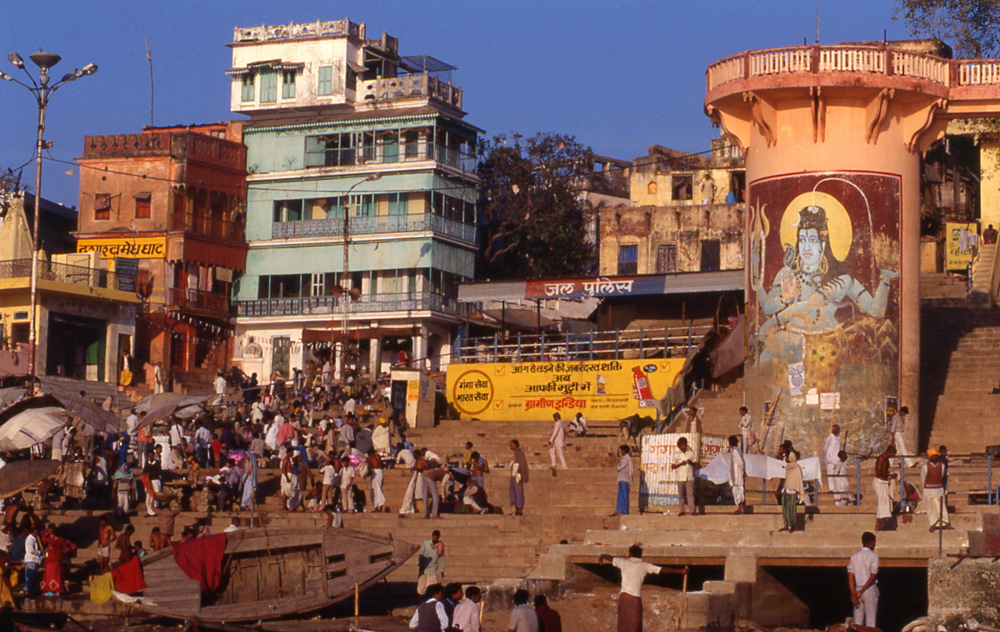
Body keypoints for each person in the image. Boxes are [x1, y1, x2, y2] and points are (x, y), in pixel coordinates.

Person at [600, 544, 687, 632]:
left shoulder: (623, 562)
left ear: (630, 555)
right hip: (635, 599)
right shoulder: (645, 566)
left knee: (623, 624)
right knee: (635, 625)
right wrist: (681, 571)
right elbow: (662, 570)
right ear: (640, 555)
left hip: (624, 598)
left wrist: (602, 556)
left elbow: (610, 558)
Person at [848, 532, 879, 627]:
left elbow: (851, 577)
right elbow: (872, 576)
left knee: (857, 622)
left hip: (857, 589)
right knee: (870, 621)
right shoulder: (873, 556)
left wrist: (854, 594)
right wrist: (861, 591)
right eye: (874, 542)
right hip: (869, 589)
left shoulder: (854, 557)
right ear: (871, 542)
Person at [922, 448, 951, 532]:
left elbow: (942, 476)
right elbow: (923, 478)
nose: (935, 457)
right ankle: (933, 524)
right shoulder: (925, 466)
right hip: (928, 489)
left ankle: (945, 522)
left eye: (936, 456)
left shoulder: (941, 465)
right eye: (933, 456)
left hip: (938, 489)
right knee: (931, 507)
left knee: (941, 506)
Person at [40, 528, 76, 595]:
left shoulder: (50, 540)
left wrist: (47, 531)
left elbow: (42, 536)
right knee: (56, 577)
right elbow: (68, 548)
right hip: (57, 562)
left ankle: (48, 590)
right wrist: (62, 552)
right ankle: (57, 591)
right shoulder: (62, 541)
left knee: (48, 577)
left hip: (50, 562)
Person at [670, 437, 697, 516]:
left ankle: (692, 510)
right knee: (681, 494)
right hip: (680, 477)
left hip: (689, 476)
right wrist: (680, 464)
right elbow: (673, 466)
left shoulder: (691, 453)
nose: (682, 446)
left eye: (683, 445)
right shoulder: (677, 454)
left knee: (690, 494)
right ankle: (682, 510)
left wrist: (690, 462)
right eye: (681, 445)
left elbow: (695, 463)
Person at [873, 444, 897, 531]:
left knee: (884, 502)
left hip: (884, 482)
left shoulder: (886, 459)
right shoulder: (881, 458)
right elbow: (879, 472)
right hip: (879, 482)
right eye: (893, 453)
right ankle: (879, 524)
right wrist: (889, 475)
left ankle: (882, 523)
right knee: (881, 502)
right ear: (890, 451)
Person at [780, 450, 805, 532]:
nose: (786, 458)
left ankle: (792, 525)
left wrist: (800, 492)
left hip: (792, 490)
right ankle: (786, 524)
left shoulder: (797, 468)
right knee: (785, 508)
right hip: (786, 489)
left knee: (792, 509)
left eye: (788, 457)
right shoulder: (788, 467)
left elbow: (799, 480)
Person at [417, 530, 444, 596]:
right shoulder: (426, 544)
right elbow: (421, 555)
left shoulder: (440, 546)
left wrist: (442, 570)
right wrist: (421, 566)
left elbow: (442, 558)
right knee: (420, 588)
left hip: (433, 570)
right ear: (432, 536)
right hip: (424, 569)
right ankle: (420, 604)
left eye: (436, 537)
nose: (434, 539)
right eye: (433, 537)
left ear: (438, 538)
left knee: (432, 588)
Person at [509, 439, 529, 515]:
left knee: (518, 492)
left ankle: (519, 508)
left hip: (518, 475)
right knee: (513, 492)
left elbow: (523, 465)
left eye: (511, 444)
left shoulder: (520, 453)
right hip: (514, 474)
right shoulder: (516, 453)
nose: (510, 446)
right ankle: (515, 509)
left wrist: (522, 475)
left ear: (515, 445)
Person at [612, 445, 632, 517]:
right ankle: (618, 511)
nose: (621, 452)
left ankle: (625, 511)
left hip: (625, 480)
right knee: (620, 495)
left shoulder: (627, 458)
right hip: (621, 479)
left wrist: (618, 467)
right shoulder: (624, 459)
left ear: (625, 451)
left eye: (622, 450)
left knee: (624, 496)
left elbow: (619, 468)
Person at [728, 435, 746, 514]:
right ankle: (738, 506)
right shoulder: (736, 450)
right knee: (737, 489)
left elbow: (740, 463)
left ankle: (739, 507)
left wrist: (741, 471)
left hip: (736, 474)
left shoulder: (735, 451)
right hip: (736, 473)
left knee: (737, 489)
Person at [23, 525, 42, 596]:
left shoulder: (34, 539)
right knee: (30, 575)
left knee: (34, 575)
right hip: (31, 559)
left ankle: (32, 589)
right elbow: (31, 550)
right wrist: (39, 552)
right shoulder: (29, 539)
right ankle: (27, 589)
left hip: (34, 559)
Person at [823, 424, 842, 492]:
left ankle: (837, 487)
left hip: (837, 459)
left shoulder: (838, 438)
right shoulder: (830, 437)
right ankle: (831, 488)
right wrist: (828, 456)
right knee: (830, 474)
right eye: (837, 430)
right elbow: (825, 448)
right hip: (830, 459)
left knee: (836, 474)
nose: (838, 431)